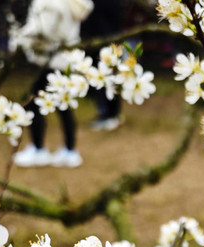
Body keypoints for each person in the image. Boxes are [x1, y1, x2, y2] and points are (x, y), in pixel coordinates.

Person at [11, 0, 94, 168]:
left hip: (50, 61)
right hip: (65, 60)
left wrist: (19, 40)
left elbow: (43, 31)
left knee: (36, 102)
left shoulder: (50, 3)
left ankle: (39, 148)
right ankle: (69, 150)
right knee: (61, 105)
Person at [81, 0, 125, 131]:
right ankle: (106, 112)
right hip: (97, 41)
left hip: (106, 41)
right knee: (99, 79)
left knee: (108, 79)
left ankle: (110, 114)